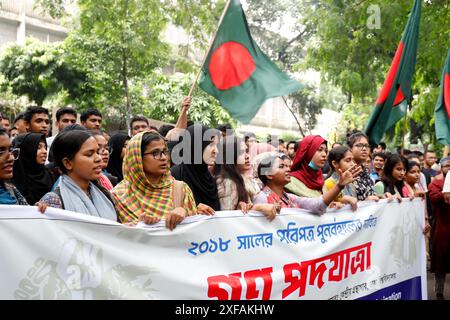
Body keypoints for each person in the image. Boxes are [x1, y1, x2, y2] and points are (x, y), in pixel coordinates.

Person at [111, 132, 199, 229]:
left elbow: (195, 232)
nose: (164, 158)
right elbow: (111, 237)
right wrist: (139, 225)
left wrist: (185, 212)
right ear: (137, 157)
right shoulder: (118, 196)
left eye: (165, 151)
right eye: (155, 153)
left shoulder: (180, 189)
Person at [39, 130, 118, 221]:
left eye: (97, 152)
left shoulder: (103, 193)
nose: (99, 158)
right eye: (89, 154)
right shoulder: (53, 202)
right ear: (68, 163)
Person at [253, 154, 360, 217]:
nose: (288, 169)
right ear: (269, 175)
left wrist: (339, 186)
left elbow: (317, 204)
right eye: (282, 166)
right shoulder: (262, 198)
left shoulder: (289, 197)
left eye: (287, 166)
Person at [171, 124, 221, 211]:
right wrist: (193, 209)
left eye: (216, 145)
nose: (216, 151)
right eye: (210, 144)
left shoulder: (208, 177)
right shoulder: (176, 175)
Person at [429, 156, 450, 300]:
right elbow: (434, 197)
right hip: (442, 228)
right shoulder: (436, 182)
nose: (449, 168)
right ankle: (439, 292)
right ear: (441, 168)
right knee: (440, 265)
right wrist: (446, 193)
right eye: (447, 166)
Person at [12, 133, 54, 205]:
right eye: (38, 147)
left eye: (45, 147)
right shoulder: (15, 179)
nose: (44, 151)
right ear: (27, 151)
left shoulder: (49, 175)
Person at [323, 146, 358, 211]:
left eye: (353, 160)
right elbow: (326, 209)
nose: (353, 164)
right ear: (335, 163)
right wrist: (341, 202)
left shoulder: (351, 183)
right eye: (348, 160)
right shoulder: (328, 184)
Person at [347, 132, 379, 201]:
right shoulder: (346, 172)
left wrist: (380, 197)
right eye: (359, 145)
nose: (364, 149)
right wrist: (365, 202)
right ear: (350, 148)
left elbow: (370, 194)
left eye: (367, 146)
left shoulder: (365, 171)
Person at [0, 128, 28, 205]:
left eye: (10, 149)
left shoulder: (11, 190)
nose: (11, 158)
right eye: (0, 151)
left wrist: (37, 211)